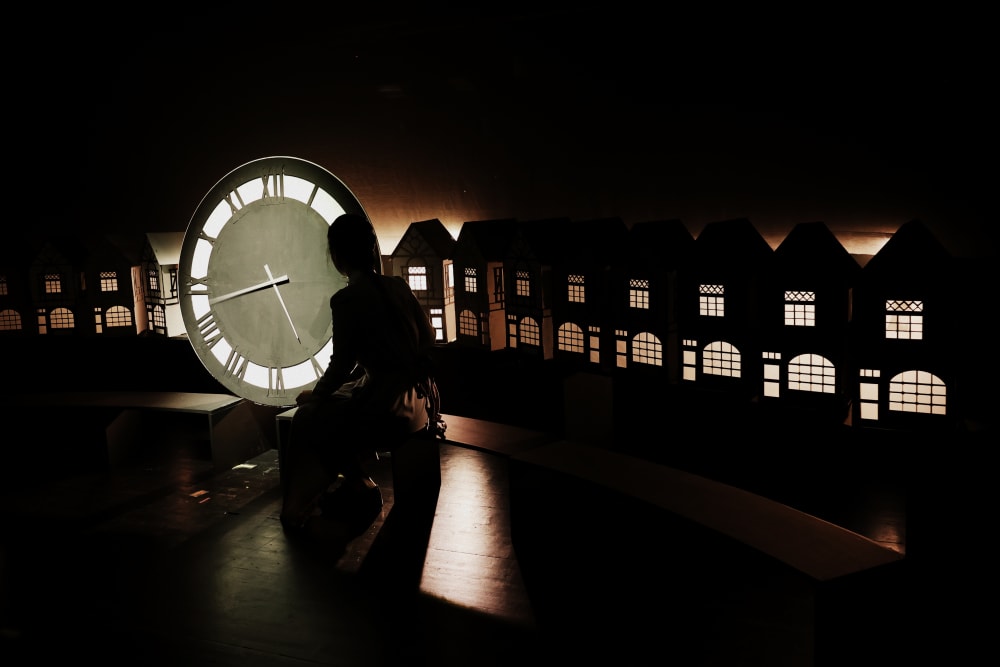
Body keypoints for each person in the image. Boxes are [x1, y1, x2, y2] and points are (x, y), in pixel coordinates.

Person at [279, 213, 443, 538]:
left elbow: (340, 365)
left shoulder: (346, 300)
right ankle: (352, 487)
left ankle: (320, 497)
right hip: (424, 399)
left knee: (309, 419)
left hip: (388, 406)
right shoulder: (398, 286)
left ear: (337, 257)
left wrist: (317, 394)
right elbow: (427, 339)